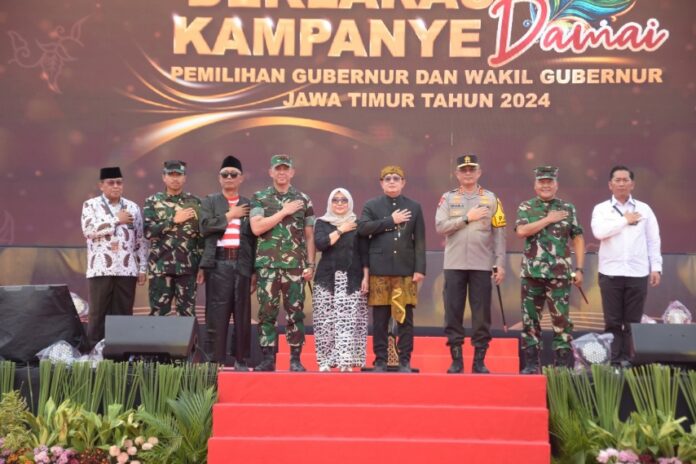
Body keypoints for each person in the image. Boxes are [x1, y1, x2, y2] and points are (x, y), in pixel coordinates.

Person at [435, 154, 506, 374]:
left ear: (479, 172)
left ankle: (479, 361)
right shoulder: (448, 198)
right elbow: (440, 226)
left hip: (481, 264)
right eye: (463, 170)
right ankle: (456, 360)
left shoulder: (491, 199)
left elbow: (499, 233)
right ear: (457, 174)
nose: (468, 173)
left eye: (471, 169)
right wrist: (467, 217)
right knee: (453, 312)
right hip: (454, 264)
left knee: (482, 314)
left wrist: (500, 262)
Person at [515, 166, 585, 374]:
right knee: (530, 321)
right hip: (532, 274)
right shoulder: (526, 207)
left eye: (549, 182)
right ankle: (531, 364)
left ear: (556, 185)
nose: (545, 185)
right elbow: (521, 231)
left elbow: (578, 238)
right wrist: (548, 219)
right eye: (542, 182)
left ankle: (561, 366)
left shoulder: (567, 208)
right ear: (535, 185)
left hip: (559, 275)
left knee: (561, 321)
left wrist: (579, 269)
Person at [250, 154, 316, 372]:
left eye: (285, 169)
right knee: (266, 313)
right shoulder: (260, 198)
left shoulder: (303, 199)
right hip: (267, 266)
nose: (281, 172)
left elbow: (309, 236)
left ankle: (295, 359)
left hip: (295, 267)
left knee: (295, 313)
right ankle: (267, 359)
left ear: (292, 172)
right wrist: (284, 211)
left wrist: (311, 264)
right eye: (277, 169)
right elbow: (256, 228)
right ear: (271, 172)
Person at [591, 165, 662, 367]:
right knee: (612, 321)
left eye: (625, 180)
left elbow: (653, 240)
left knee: (633, 321)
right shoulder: (601, 209)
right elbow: (599, 232)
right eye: (617, 180)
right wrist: (624, 220)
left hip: (637, 272)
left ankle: (631, 360)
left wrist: (656, 267)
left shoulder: (644, 209)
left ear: (633, 184)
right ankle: (614, 361)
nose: (621, 183)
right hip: (610, 273)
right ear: (610, 185)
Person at [358, 165, 426, 373]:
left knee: (405, 318)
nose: (392, 182)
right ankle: (380, 360)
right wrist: (391, 221)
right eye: (387, 178)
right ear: (381, 183)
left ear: (403, 182)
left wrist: (420, 269)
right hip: (379, 269)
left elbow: (420, 241)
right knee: (380, 319)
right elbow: (363, 228)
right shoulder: (372, 205)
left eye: (396, 178)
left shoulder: (414, 206)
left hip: (405, 270)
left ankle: (404, 360)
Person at [199, 155, 257, 369]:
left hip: (242, 262)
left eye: (234, 174)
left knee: (242, 313)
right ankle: (214, 359)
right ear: (219, 178)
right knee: (216, 312)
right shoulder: (210, 201)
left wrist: (254, 271)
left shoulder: (250, 204)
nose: (229, 177)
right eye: (225, 174)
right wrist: (230, 215)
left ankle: (241, 359)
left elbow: (255, 239)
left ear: (241, 178)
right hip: (219, 262)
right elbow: (205, 227)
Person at [81, 166, 147, 348]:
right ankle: (94, 354)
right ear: (101, 185)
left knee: (123, 315)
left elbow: (140, 240)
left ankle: (121, 354)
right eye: (111, 183)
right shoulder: (91, 205)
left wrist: (142, 268)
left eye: (119, 182)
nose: (116, 186)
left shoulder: (132, 207)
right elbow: (89, 231)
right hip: (100, 269)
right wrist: (116, 220)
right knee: (97, 314)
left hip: (127, 270)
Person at [313, 188, 369, 372]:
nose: (339, 203)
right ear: (330, 202)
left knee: (348, 321)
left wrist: (366, 277)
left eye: (344, 200)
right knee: (325, 321)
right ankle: (325, 361)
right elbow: (321, 244)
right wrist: (340, 230)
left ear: (349, 203)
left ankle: (345, 361)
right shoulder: (321, 222)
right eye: (335, 200)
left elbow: (364, 253)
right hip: (326, 277)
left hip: (351, 278)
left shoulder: (358, 224)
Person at [143, 160, 204, 317]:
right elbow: (148, 232)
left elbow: (201, 236)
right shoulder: (153, 201)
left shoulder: (195, 202)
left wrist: (202, 266)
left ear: (185, 178)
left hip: (188, 267)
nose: (175, 178)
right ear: (164, 177)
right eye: (171, 174)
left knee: (187, 316)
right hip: (160, 267)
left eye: (179, 175)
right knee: (158, 315)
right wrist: (173, 220)